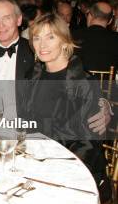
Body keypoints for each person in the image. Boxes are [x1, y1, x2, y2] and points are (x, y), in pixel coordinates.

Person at [0, 0, 110, 131]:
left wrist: (103, 103)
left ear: (19, 20)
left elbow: (72, 73)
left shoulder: (36, 52)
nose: (1, 25)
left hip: (25, 130)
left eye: (6, 18)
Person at [24, 13, 107, 193]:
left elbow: (88, 146)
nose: (42, 45)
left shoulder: (83, 83)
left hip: (74, 171)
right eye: (37, 38)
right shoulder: (33, 76)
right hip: (37, 163)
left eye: (50, 37)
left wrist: (55, 175)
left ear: (64, 41)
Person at [72, 1, 118, 73]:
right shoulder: (115, 39)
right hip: (108, 83)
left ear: (89, 16)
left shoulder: (73, 36)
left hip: (78, 83)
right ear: (110, 21)